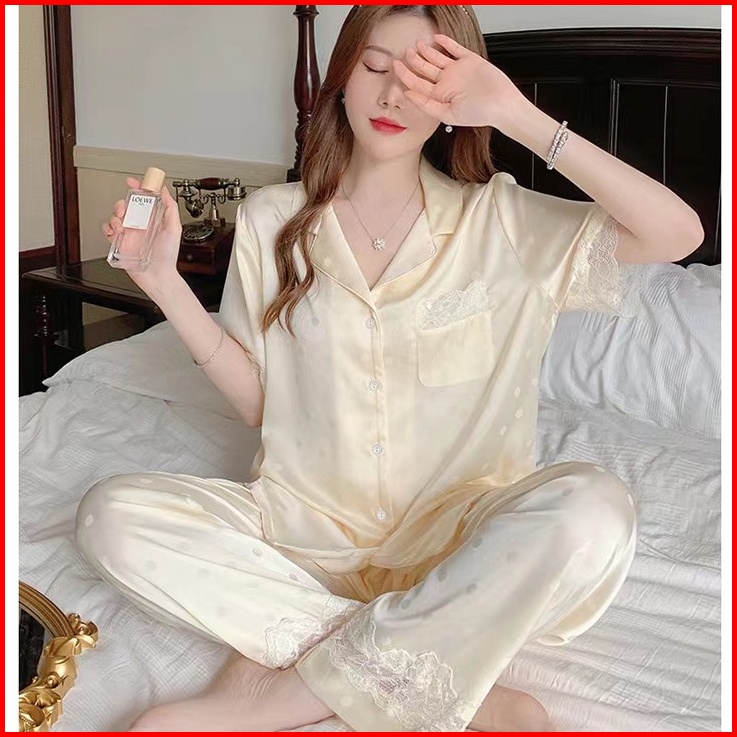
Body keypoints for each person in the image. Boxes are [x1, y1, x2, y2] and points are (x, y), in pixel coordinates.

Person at [75, 5, 703, 733]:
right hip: (300, 533)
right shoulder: (272, 219)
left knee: (593, 507)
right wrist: (162, 282)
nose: (393, 95)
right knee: (110, 516)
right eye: (375, 67)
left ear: (459, 96)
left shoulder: (504, 222)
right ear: (343, 76)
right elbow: (258, 404)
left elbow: (676, 233)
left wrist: (515, 113)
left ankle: (288, 693)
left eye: (424, 78)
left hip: (459, 543)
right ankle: (431, 672)